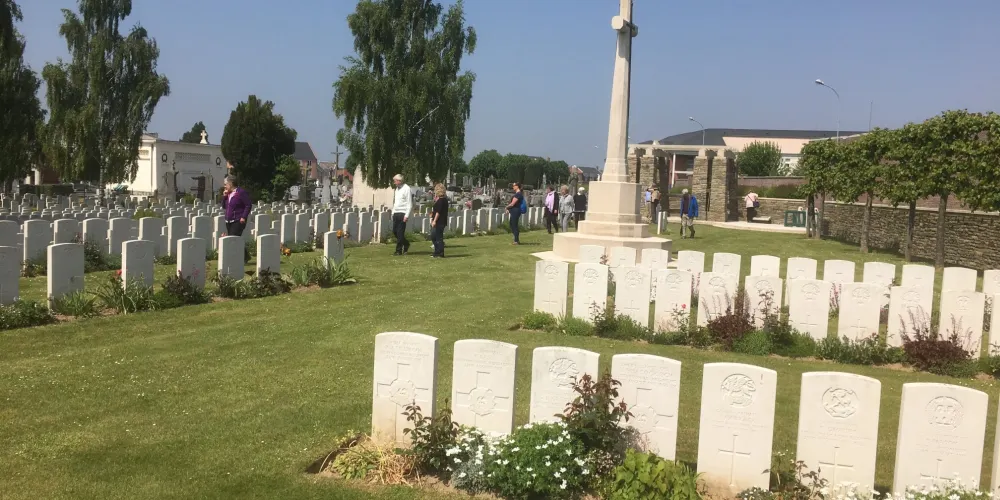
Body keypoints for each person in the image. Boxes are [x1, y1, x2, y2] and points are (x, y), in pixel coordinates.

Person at [221, 175, 252, 262]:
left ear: (230, 183)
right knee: (235, 239)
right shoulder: (228, 193)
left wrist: (243, 217)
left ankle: (239, 259)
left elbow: (248, 205)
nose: (224, 186)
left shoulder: (241, 192)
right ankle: (246, 257)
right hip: (228, 220)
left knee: (233, 238)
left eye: (225, 184)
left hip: (238, 220)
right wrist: (224, 196)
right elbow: (224, 206)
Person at [391, 174, 412, 256]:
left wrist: (406, 215)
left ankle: (398, 251)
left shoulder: (407, 189)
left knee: (400, 233)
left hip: (403, 213)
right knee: (395, 231)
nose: (394, 183)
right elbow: (395, 202)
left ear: (399, 181)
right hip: (396, 212)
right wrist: (393, 212)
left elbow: (409, 203)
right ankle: (406, 244)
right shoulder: (397, 189)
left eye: (395, 181)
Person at [430, 183, 448, 258]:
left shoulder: (441, 201)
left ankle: (440, 252)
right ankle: (437, 251)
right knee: (435, 236)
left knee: (437, 237)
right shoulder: (444, 200)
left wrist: (434, 220)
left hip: (439, 221)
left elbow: (438, 212)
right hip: (442, 221)